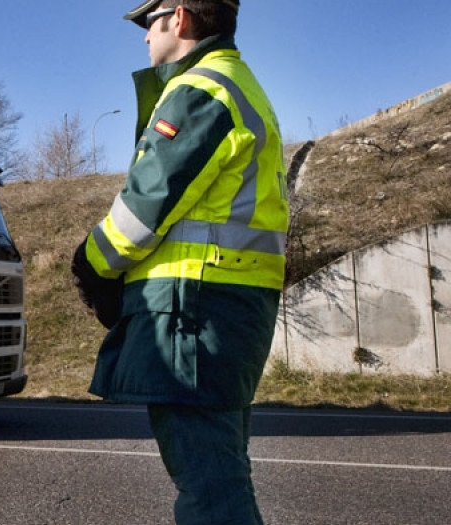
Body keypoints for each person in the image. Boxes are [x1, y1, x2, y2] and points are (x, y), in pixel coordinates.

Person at [71, 1, 288, 523]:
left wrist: (90, 263)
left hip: (195, 313)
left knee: (210, 489)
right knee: (221, 475)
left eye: (150, 21)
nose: (145, 36)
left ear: (181, 18)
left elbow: (147, 203)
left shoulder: (201, 90)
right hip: (225, 309)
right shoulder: (238, 85)